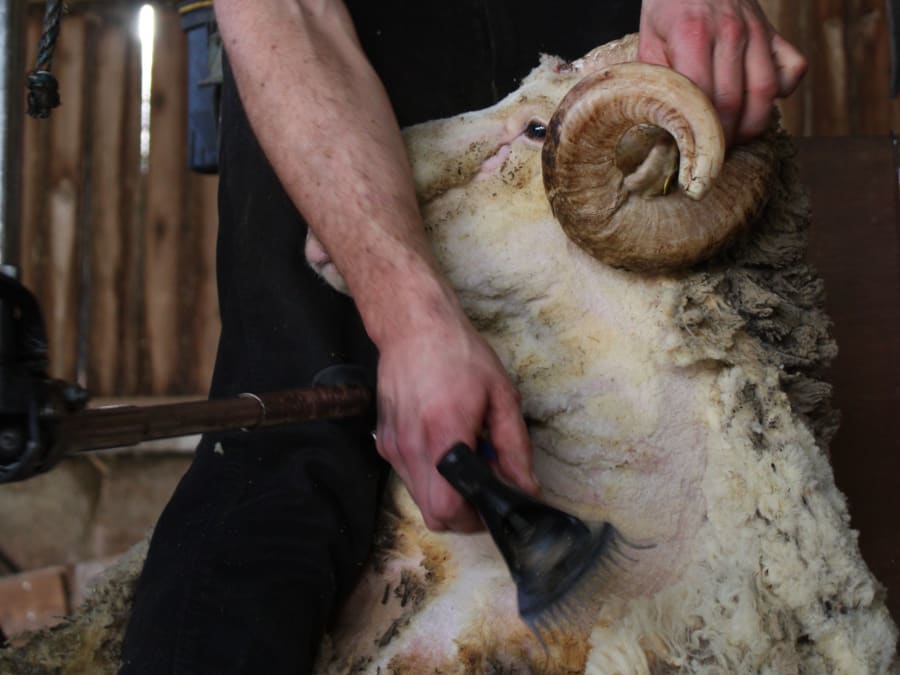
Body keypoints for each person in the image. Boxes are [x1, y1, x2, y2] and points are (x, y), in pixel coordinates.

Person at [119, 2, 806, 672]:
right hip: (349, 38)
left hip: (593, 33)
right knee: (293, 438)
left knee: (698, 406)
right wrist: (410, 316)